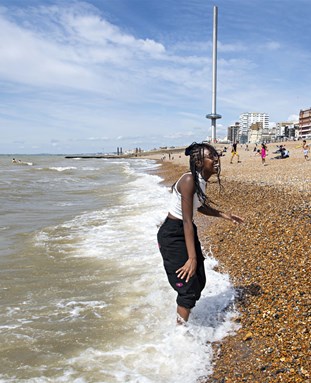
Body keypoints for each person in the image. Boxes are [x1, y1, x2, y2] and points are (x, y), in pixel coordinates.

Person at [157, 142, 244, 325]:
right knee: (188, 288)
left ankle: (185, 316)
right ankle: (179, 334)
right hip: (173, 234)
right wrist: (192, 258)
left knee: (200, 281)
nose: (216, 159)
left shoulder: (199, 181)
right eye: (211, 156)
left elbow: (200, 206)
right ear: (198, 162)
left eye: (216, 155)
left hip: (184, 230)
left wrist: (225, 215)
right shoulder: (189, 180)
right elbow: (187, 220)